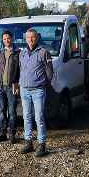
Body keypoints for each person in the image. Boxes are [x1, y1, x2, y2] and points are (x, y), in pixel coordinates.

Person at [19, 28, 53, 157]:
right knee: (26, 117)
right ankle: (28, 142)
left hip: (38, 90)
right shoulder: (22, 53)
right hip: (24, 90)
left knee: (39, 117)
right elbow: (21, 70)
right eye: (28, 37)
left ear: (37, 37)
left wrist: (45, 84)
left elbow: (50, 72)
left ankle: (42, 144)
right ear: (25, 39)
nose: (30, 39)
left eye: (32, 37)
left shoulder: (44, 52)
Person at [0, 30, 20, 144]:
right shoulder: (0, 53)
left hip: (11, 86)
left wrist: (17, 85)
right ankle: (2, 133)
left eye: (8, 38)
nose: (6, 40)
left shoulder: (18, 53)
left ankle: (12, 134)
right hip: (0, 86)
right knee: (2, 111)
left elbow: (20, 71)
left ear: (12, 38)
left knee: (12, 111)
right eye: (4, 39)